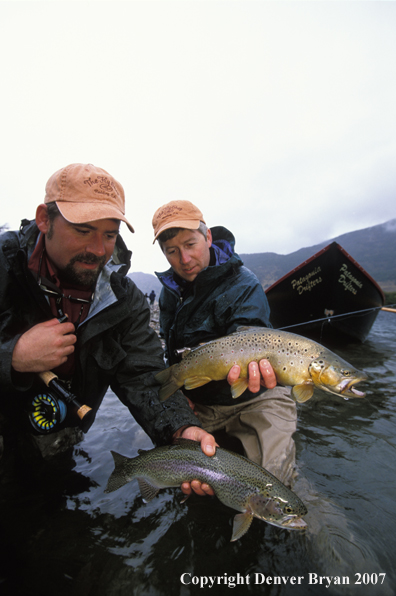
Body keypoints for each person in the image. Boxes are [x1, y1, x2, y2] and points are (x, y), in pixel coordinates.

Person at [0, 164, 215, 473]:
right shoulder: (5, 266)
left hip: (60, 442)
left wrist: (181, 429)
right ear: (45, 220)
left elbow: (143, 375)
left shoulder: (125, 300)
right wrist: (13, 356)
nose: (98, 250)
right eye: (83, 231)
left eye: (110, 235)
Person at [152, 200, 298, 492]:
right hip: (202, 404)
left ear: (208, 238)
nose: (184, 258)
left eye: (191, 244)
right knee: (177, 476)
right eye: (172, 251)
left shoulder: (244, 284)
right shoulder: (169, 294)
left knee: (277, 486)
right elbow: (170, 352)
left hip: (257, 398)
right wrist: (179, 400)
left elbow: (250, 341)